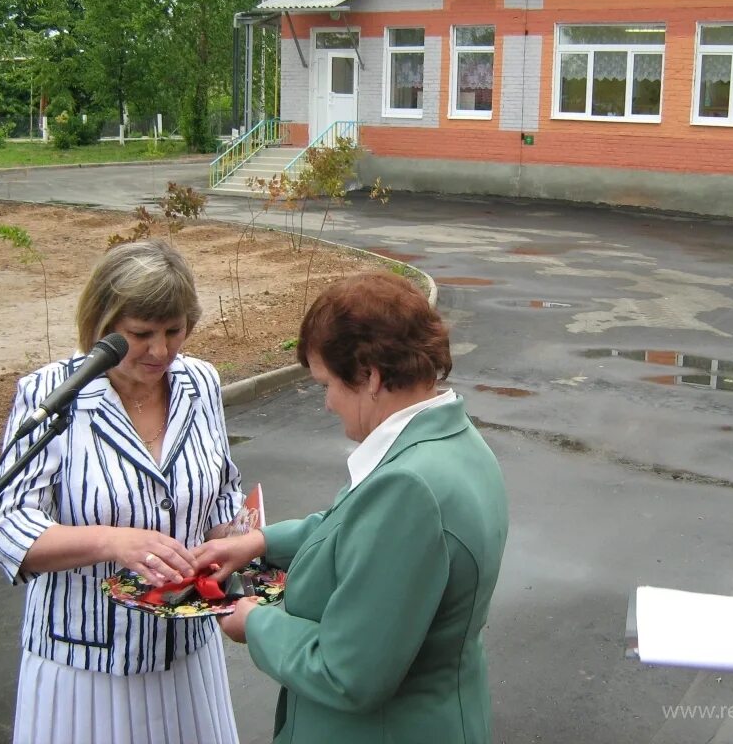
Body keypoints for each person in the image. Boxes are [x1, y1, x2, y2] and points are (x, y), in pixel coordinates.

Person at [195, 271, 509, 744]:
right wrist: (259, 542)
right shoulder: (452, 440)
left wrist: (256, 622)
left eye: (327, 384)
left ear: (369, 376)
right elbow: (356, 531)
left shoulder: (408, 486)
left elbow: (347, 672)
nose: (326, 404)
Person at [0, 239, 243, 744]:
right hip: (84, 664)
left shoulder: (201, 382)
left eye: (175, 331)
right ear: (102, 327)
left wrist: (237, 541)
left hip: (185, 657)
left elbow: (220, 491)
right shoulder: (52, 394)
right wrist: (114, 542)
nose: (161, 350)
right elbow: (7, 526)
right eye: (141, 334)